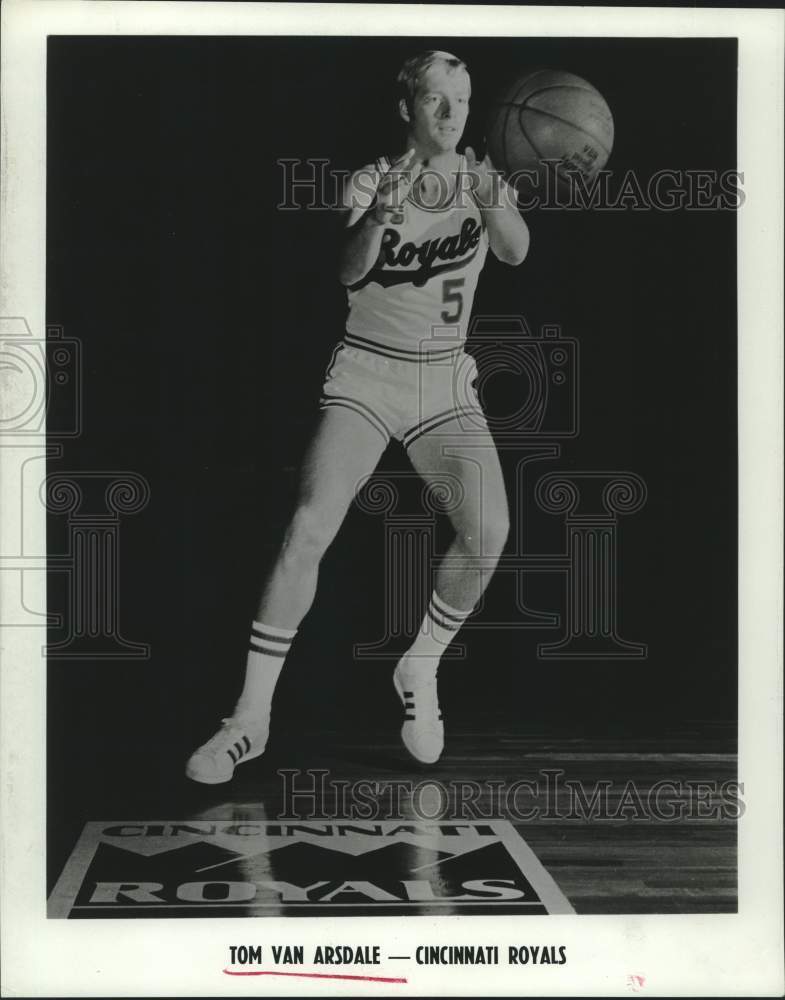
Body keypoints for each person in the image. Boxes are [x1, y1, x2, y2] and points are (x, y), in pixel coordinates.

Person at [186, 50, 530, 783]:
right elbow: (345, 269)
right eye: (435, 99)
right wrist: (379, 215)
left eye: (462, 101)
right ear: (406, 108)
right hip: (369, 374)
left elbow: (516, 250)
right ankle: (249, 720)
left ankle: (420, 667)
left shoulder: (481, 179)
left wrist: (489, 194)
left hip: (442, 378)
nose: (451, 114)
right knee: (308, 527)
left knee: (490, 533)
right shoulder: (372, 180)